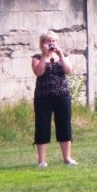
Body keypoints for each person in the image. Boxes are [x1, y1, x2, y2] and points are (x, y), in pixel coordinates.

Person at [31, 31, 77, 168]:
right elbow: (39, 72)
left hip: (62, 96)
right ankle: (42, 161)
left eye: (53, 41)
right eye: (47, 41)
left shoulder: (62, 56)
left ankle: (67, 158)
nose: (51, 43)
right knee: (42, 126)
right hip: (43, 97)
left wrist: (61, 55)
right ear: (42, 43)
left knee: (64, 126)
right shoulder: (37, 57)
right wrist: (45, 56)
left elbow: (68, 70)